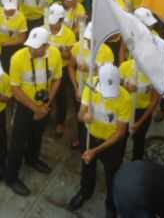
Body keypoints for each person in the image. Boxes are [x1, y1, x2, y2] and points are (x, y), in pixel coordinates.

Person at [68, 63, 132, 218]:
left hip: (111, 143)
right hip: (90, 136)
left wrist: (95, 151)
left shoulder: (125, 98)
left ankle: (111, 203)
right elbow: (79, 115)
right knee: (87, 166)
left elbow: (120, 132)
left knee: (112, 173)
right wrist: (85, 117)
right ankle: (85, 191)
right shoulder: (90, 85)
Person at [4, 27, 63, 196]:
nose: (31, 49)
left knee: (37, 135)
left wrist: (46, 104)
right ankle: (11, 177)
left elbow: (57, 79)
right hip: (24, 106)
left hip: (44, 105)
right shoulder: (18, 58)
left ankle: (32, 159)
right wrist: (36, 108)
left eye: (36, 46)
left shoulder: (55, 55)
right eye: (31, 45)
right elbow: (15, 89)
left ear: (46, 46)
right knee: (17, 141)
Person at [69, 23, 116, 148]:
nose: (89, 42)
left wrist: (91, 69)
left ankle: (97, 141)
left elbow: (108, 75)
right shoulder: (78, 47)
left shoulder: (107, 51)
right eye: (87, 40)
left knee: (96, 115)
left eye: (93, 40)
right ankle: (81, 139)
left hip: (98, 92)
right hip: (81, 89)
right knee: (80, 115)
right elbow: (70, 67)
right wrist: (75, 87)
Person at [119, 56, 160, 161]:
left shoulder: (154, 73)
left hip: (142, 112)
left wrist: (140, 122)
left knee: (139, 141)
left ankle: (136, 164)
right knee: (120, 139)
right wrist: (125, 85)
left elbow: (154, 100)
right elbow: (115, 87)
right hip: (125, 110)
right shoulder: (125, 66)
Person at [47, 3, 77, 137]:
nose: (52, 25)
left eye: (55, 22)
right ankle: (47, 114)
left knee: (60, 97)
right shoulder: (43, 29)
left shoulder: (69, 34)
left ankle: (60, 122)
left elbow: (68, 55)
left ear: (61, 20)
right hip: (45, 67)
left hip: (61, 69)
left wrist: (56, 50)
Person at [0, 0, 28, 72]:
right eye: (7, 8)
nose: (10, 10)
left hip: (11, 48)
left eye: (12, 7)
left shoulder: (21, 18)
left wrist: (5, 44)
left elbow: (22, 39)